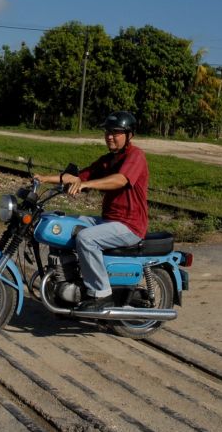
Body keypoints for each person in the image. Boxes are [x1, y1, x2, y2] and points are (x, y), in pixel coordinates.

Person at [34, 111, 149, 312]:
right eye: (107, 132)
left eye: (116, 132)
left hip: (130, 225)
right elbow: (77, 177)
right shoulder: (107, 160)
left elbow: (120, 180)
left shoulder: (135, 156)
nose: (109, 136)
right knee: (62, 226)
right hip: (109, 221)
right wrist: (43, 178)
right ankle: (67, 281)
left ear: (129, 134)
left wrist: (86, 184)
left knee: (86, 239)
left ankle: (101, 294)